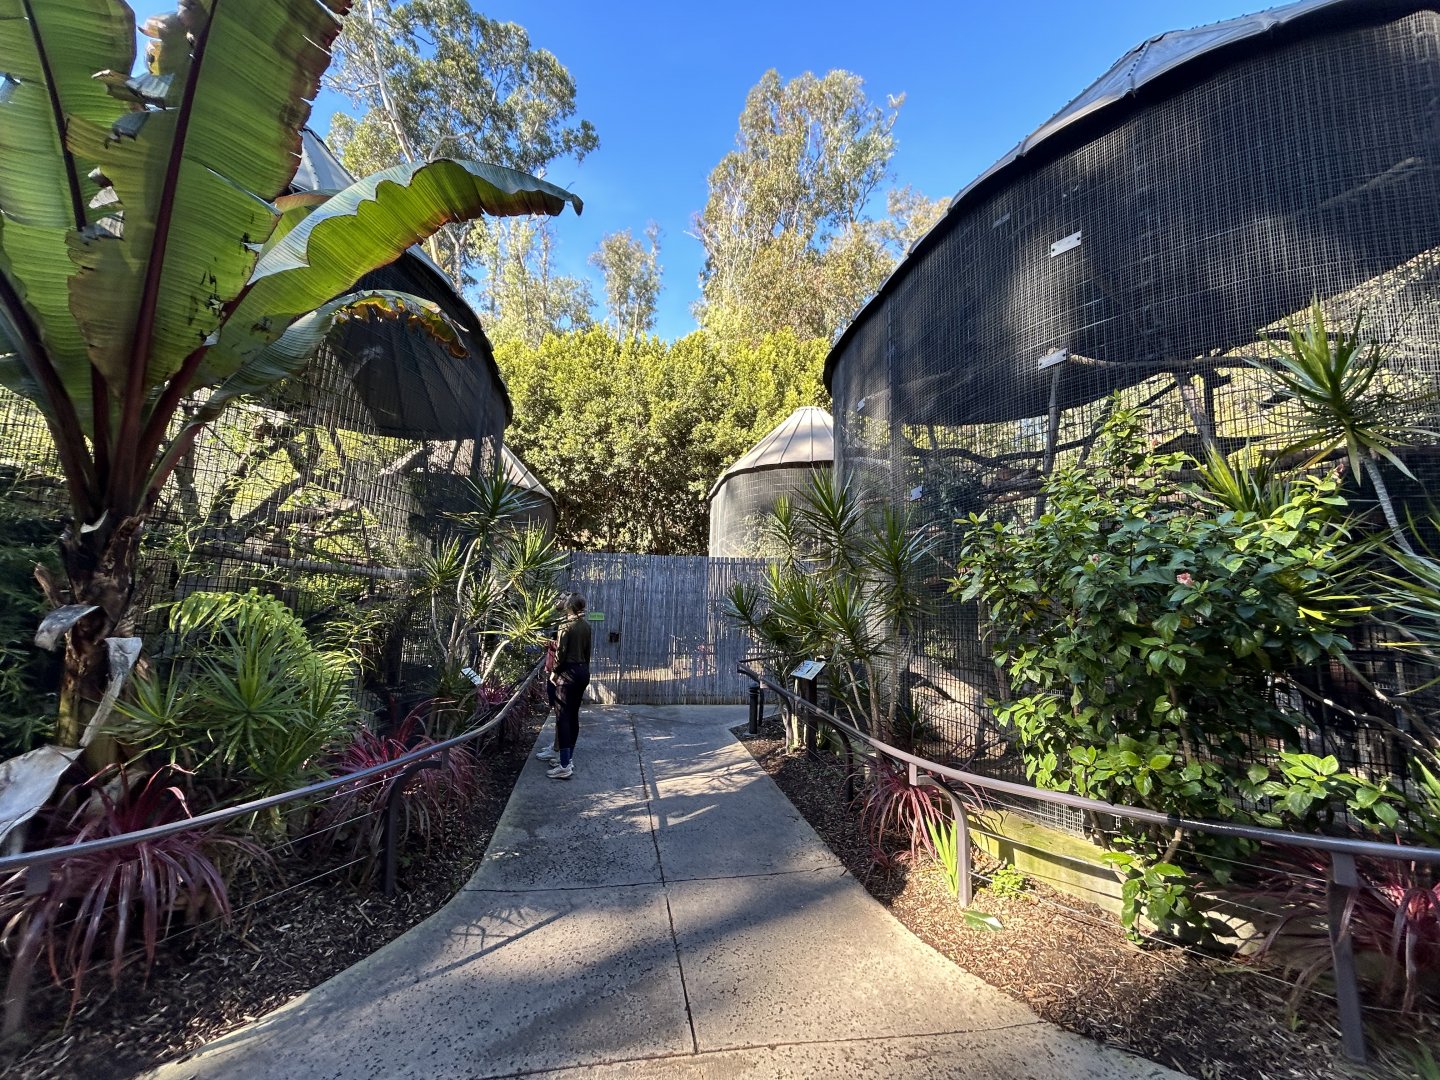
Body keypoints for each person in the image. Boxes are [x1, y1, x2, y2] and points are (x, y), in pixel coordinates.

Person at [545, 592, 591, 779]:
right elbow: (588, 653)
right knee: (573, 716)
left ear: (570, 607)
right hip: (582, 672)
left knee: (562, 717)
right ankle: (567, 758)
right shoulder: (586, 626)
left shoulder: (565, 625)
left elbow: (560, 653)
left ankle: (564, 766)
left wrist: (554, 673)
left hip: (567, 674)